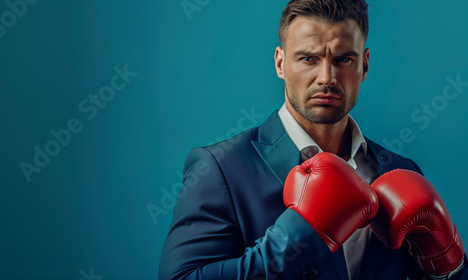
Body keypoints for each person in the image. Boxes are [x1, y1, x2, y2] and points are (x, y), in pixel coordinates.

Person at [159, 0, 467, 279]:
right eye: (308, 58)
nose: (326, 77)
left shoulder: (399, 170)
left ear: (365, 65)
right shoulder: (221, 169)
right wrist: (303, 234)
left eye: (344, 59)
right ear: (280, 63)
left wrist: (447, 268)